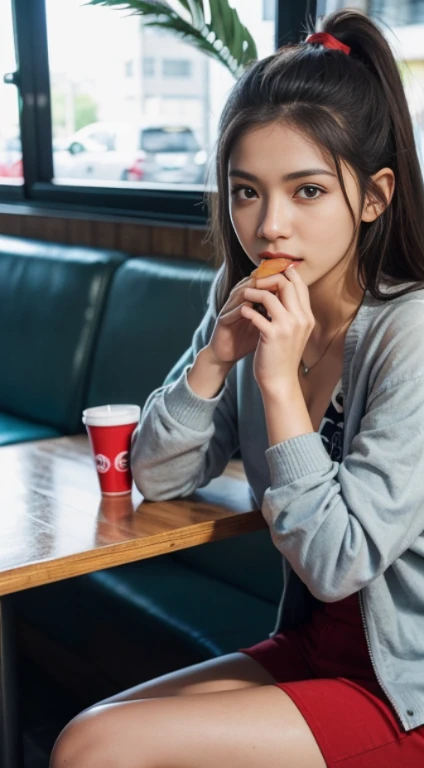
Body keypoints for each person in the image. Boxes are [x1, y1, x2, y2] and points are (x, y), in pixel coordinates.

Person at [50, 8, 424, 768]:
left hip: (403, 684)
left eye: (308, 191)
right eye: (246, 192)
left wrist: (279, 383)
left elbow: (338, 561)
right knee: (90, 730)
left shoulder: (408, 333)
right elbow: (154, 475)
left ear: (375, 196)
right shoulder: (246, 299)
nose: (270, 226)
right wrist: (217, 358)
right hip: (314, 645)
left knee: (98, 748)